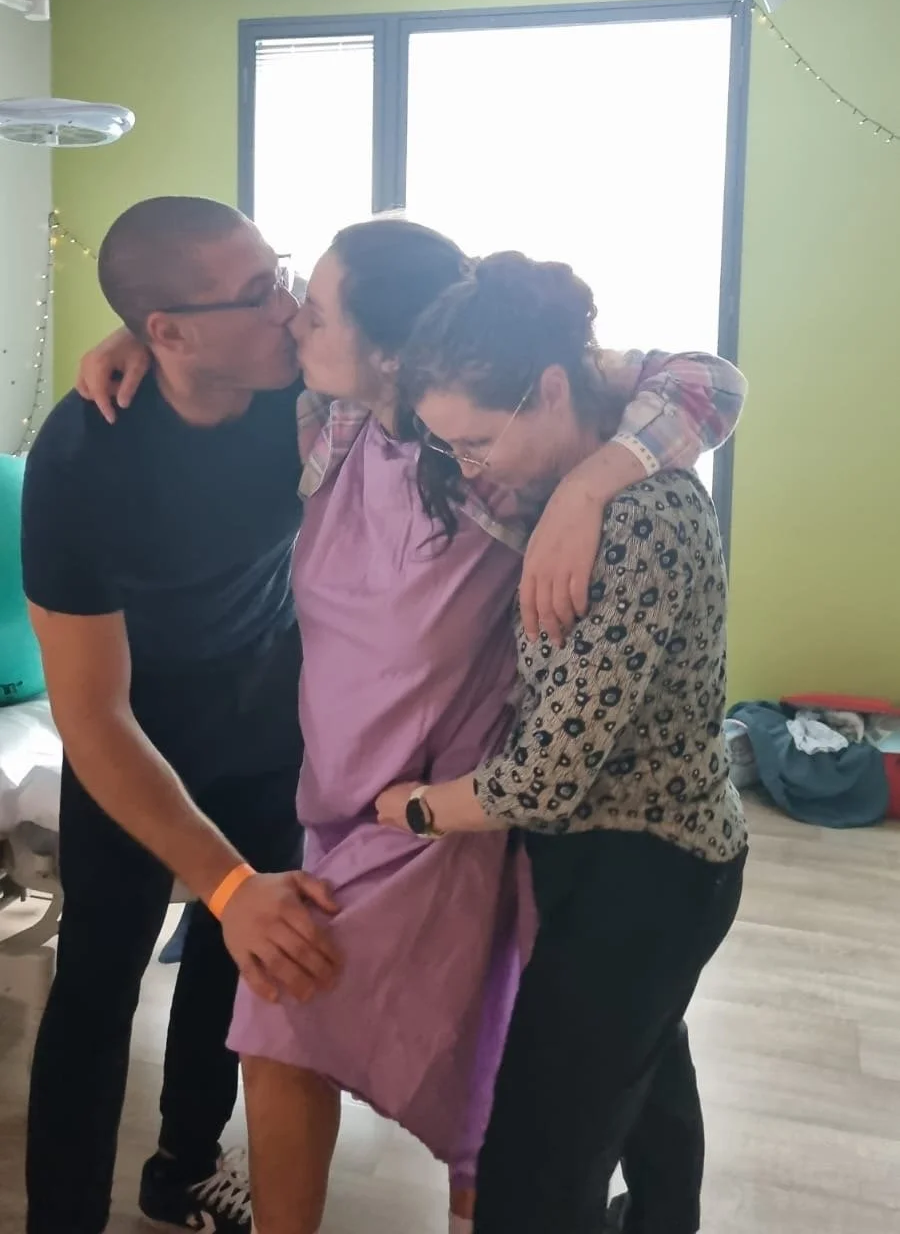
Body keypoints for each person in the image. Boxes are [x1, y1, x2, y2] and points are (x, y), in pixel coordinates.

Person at [79, 218, 746, 1234]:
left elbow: (708, 379)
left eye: (316, 303)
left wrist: (590, 480)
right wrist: (143, 337)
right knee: (615, 1051)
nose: (295, 312)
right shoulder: (324, 421)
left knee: (353, 1023)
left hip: (460, 809)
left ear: (388, 347)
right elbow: (208, 363)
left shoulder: (500, 461)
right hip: (341, 795)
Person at [377, 250, 749, 1234]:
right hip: (624, 859)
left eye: (479, 439)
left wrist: (414, 808)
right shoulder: (551, 481)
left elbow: (544, 777)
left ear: (550, 389)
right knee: (642, 1076)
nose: (469, 468)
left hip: (650, 871)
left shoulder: (636, 521)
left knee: (536, 1172)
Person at [21, 198, 340, 1234]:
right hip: (136, 732)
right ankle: (63, 1214)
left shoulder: (304, 399)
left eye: (278, 273)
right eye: (258, 295)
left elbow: (460, 317)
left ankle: (185, 1168)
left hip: (263, 708)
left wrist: (236, 893)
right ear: (167, 331)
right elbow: (95, 717)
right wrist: (222, 878)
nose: (289, 308)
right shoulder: (82, 459)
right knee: (99, 980)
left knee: (233, 952)